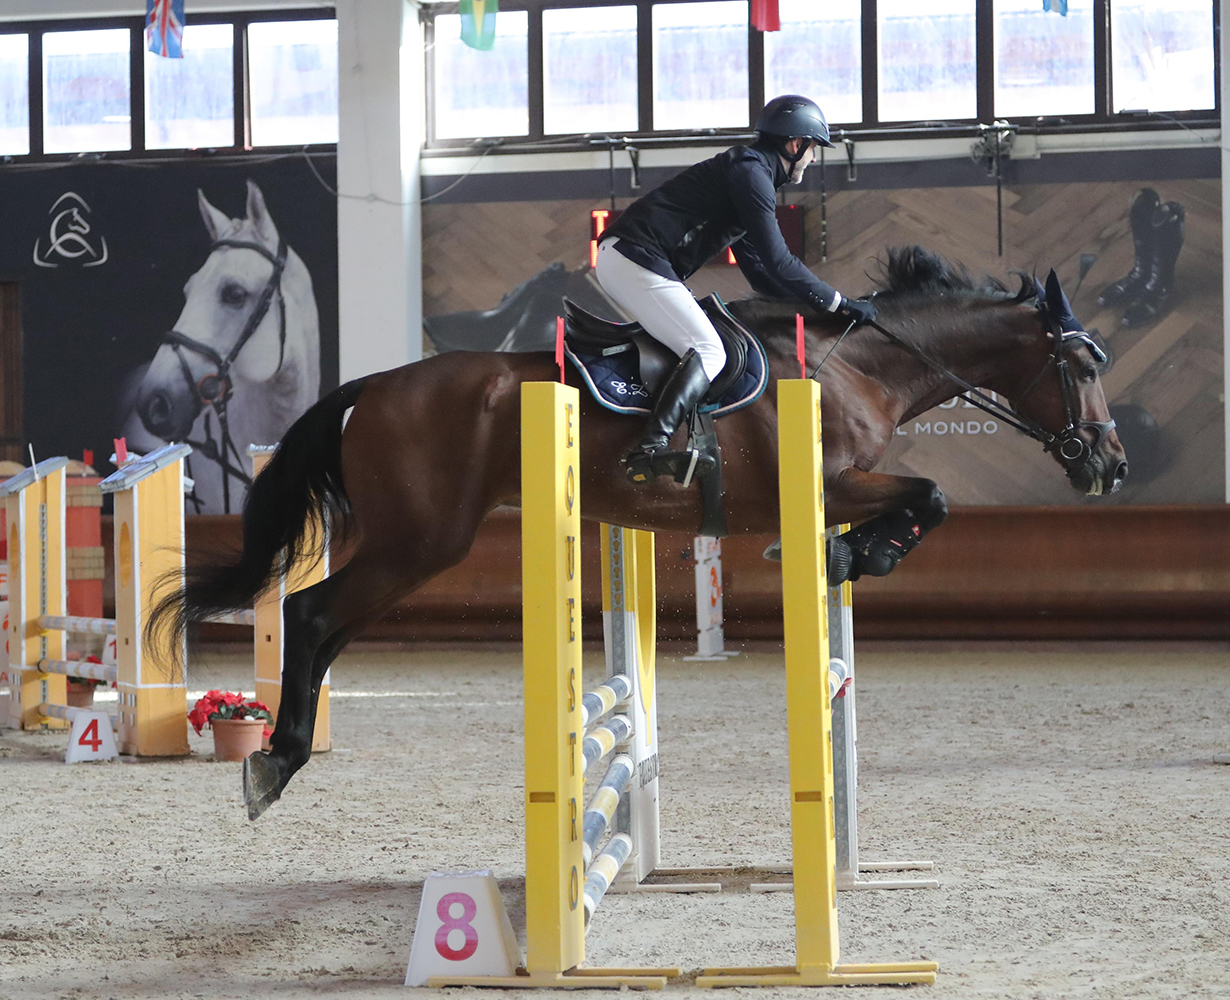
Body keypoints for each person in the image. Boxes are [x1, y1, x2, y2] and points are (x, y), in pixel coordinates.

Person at [595, 94, 877, 485]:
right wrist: (837, 302)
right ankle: (651, 448)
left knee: (702, 344)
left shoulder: (748, 174)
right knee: (710, 349)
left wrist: (816, 312)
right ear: (795, 145)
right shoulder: (751, 173)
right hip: (634, 259)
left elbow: (762, 274)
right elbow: (780, 261)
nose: (813, 160)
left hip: (630, 260)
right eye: (813, 150)